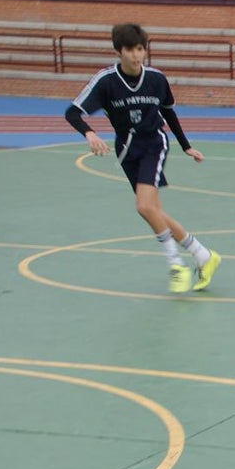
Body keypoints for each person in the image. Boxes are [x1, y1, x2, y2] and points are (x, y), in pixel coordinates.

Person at [64, 23, 220, 294]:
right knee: (153, 211)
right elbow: (72, 113)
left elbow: (169, 113)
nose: (136, 55)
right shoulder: (106, 81)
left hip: (154, 144)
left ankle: (176, 265)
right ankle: (203, 255)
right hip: (127, 149)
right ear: (118, 51)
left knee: (143, 207)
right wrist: (89, 134)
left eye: (140, 49)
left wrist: (186, 146)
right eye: (130, 49)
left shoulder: (157, 79)